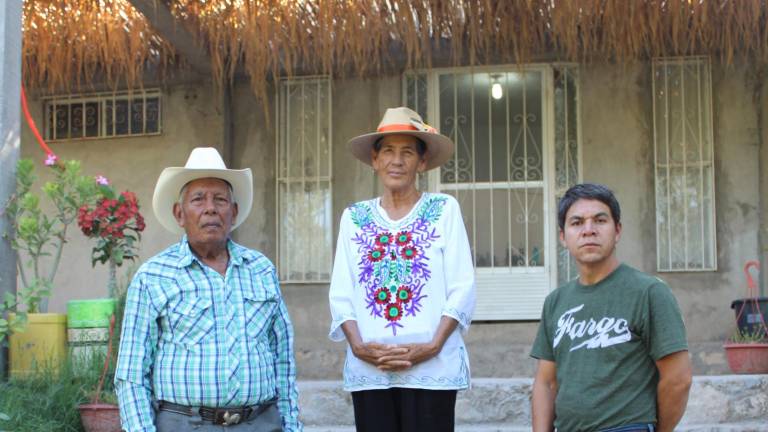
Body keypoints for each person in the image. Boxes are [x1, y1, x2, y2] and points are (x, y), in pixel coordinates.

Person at [115, 147, 302, 432]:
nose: (210, 208)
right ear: (180, 213)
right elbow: (131, 375)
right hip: (185, 424)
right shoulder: (153, 277)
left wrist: (292, 427)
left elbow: (283, 360)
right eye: (198, 199)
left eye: (220, 200)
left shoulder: (261, 269)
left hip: (261, 423)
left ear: (234, 212)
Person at [328, 107, 476, 432]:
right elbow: (341, 291)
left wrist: (433, 345)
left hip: (432, 368)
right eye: (389, 151)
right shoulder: (353, 217)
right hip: (372, 369)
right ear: (375, 159)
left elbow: (462, 286)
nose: (397, 161)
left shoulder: (443, 210)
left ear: (421, 162)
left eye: (407, 152)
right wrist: (359, 347)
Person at [530, 183, 692, 432]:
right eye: (576, 222)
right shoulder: (556, 302)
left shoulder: (648, 292)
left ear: (617, 231)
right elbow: (546, 382)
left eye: (599, 220)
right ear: (563, 237)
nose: (588, 230)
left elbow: (678, 379)